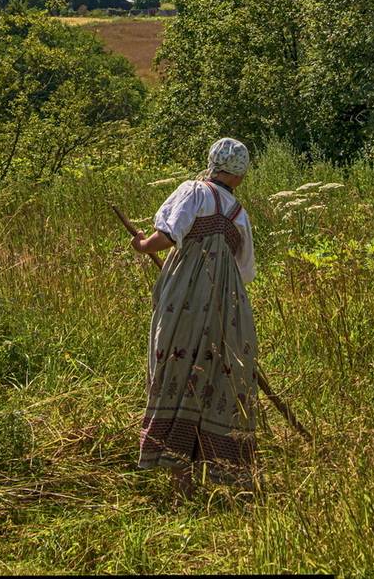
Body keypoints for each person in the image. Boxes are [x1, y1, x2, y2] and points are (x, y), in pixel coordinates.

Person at [129, 137, 258, 492]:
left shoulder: (193, 192)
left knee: (177, 365)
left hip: (185, 299)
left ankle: (179, 477)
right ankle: (215, 469)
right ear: (240, 176)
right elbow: (244, 272)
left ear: (212, 164)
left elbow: (167, 236)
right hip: (227, 307)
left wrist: (141, 246)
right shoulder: (239, 214)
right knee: (218, 375)